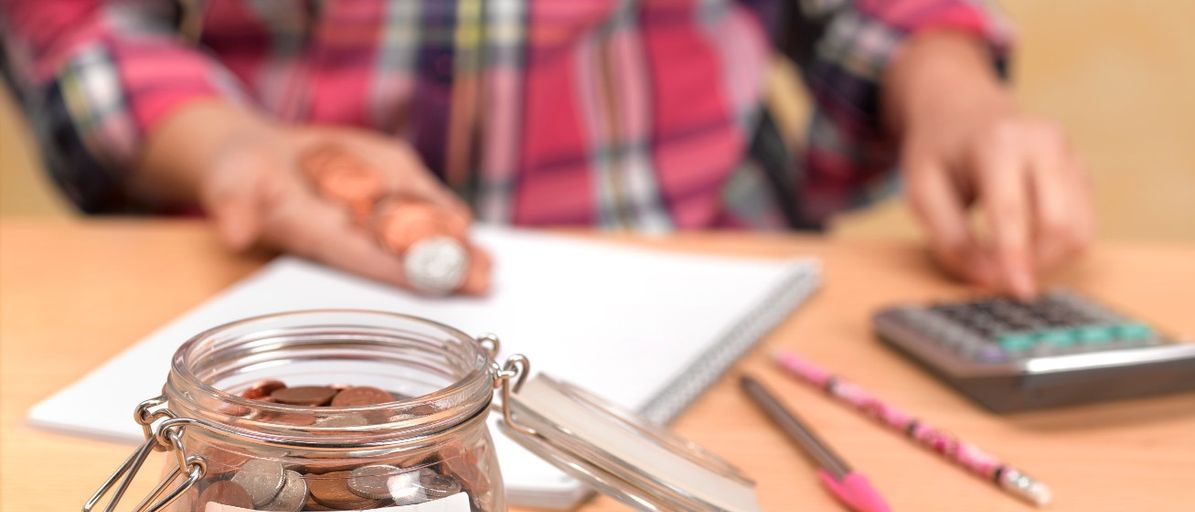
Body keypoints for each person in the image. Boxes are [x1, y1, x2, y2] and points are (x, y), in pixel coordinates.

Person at [0, 0, 1092, 299]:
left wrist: (946, 85)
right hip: (290, 278)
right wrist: (233, 149)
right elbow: (82, 24)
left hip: (707, 265)